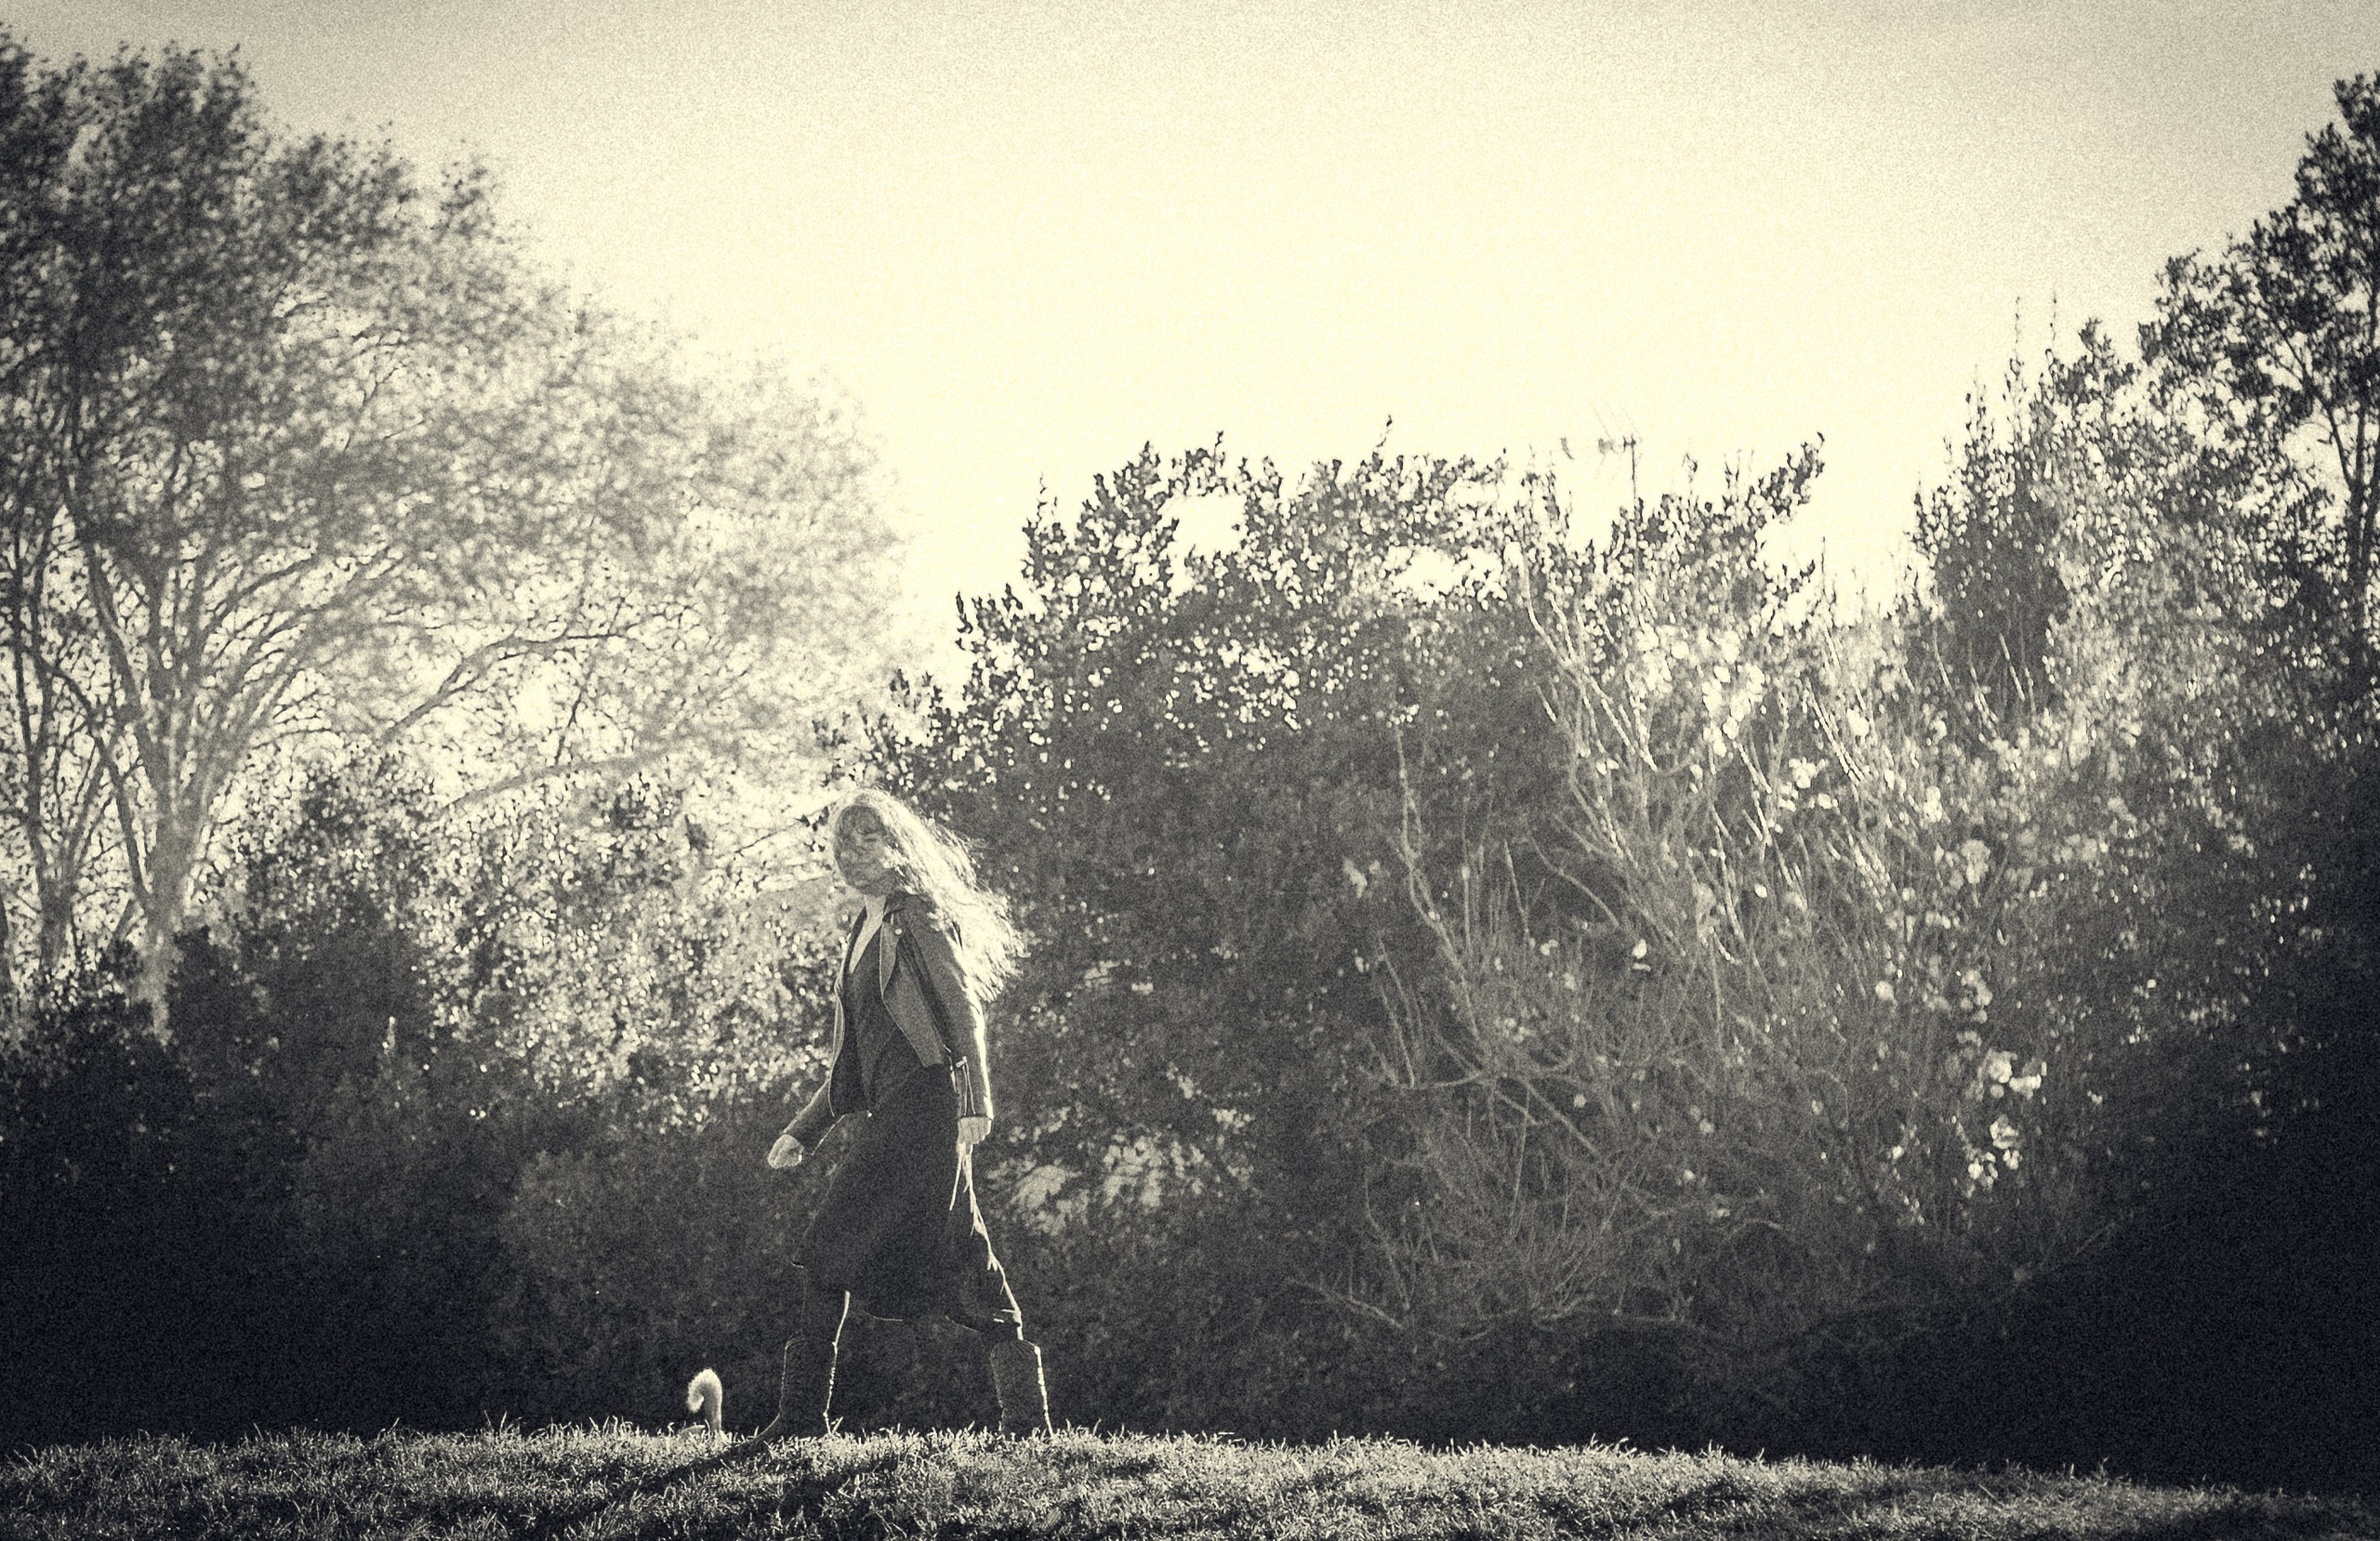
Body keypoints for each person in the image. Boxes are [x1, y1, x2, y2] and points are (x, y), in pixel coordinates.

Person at [753, 787, 1052, 1440]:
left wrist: (976, 1102)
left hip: (927, 1113)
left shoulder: (914, 919)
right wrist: (802, 1131)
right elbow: (852, 1064)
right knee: (968, 1259)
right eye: (843, 841)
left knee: (827, 1250)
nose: (853, 852)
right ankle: (1028, 1423)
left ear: (897, 845)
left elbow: (962, 1010)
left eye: (869, 838)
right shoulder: (861, 930)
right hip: (896, 1116)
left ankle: (802, 1419)